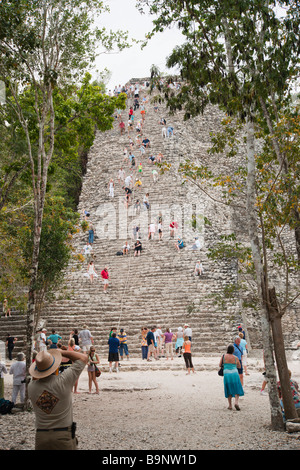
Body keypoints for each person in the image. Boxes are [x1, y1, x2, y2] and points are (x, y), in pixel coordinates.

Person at [28, 348, 88, 450]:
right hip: (63, 435)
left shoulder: (31, 387)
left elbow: (35, 378)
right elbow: (83, 358)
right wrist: (61, 352)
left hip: (41, 436)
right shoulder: (63, 381)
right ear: (56, 366)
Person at [219, 344, 244, 411]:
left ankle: (230, 405)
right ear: (233, 350)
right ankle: (236, 402)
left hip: (226, 373)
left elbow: (219, 365)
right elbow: (239, 366)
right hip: (234, 373)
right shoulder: (235, 357)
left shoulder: (224, 356)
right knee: (237, 387)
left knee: (228, 387)